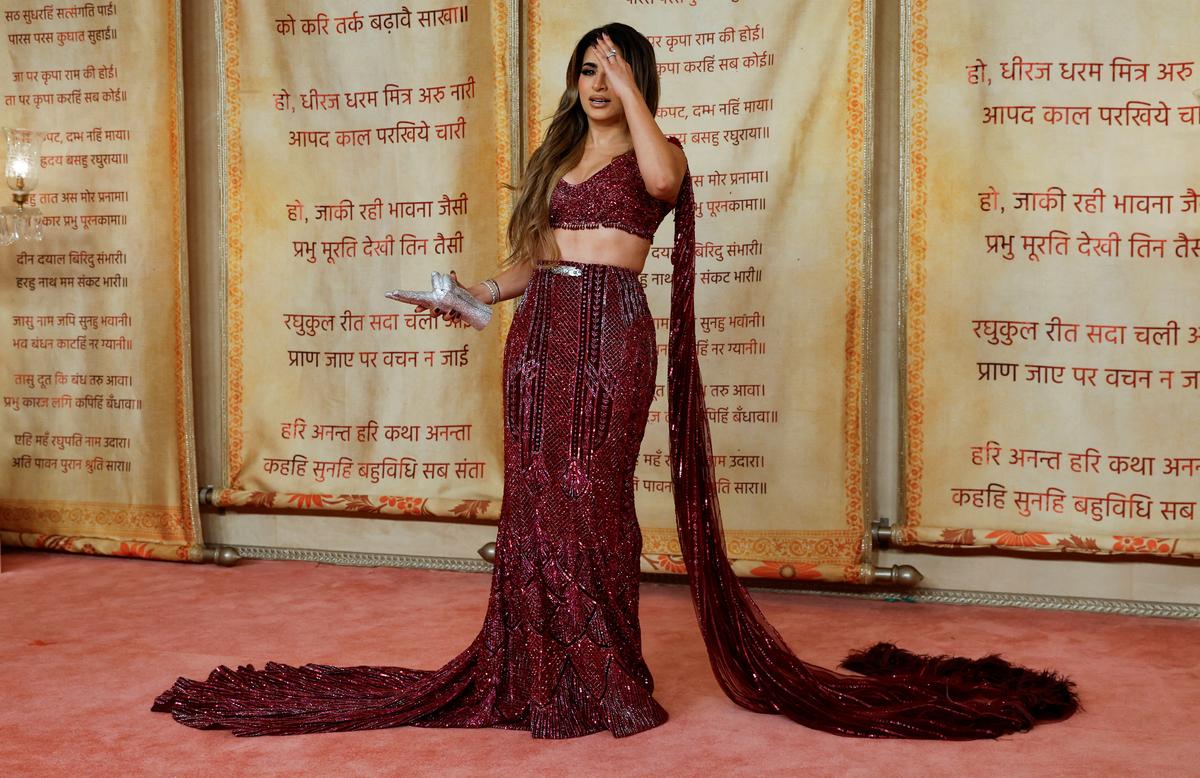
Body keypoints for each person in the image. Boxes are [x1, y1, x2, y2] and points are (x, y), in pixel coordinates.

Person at [152, 23, 1077, 740]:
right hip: (540, 332)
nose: (594, 85)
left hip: (610, 334)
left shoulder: (648, 150)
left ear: (636, 80)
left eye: (611, 70)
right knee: (536, 504)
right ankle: (537, 672)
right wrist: (474, 294)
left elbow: (669, 184)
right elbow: (535, 257)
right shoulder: (558, 157)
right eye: (587, 71)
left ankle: (605, 672)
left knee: (592, 497)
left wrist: (636, 93)